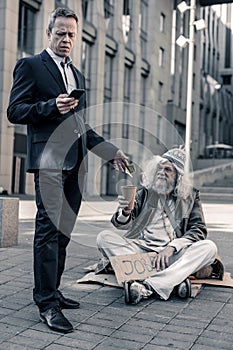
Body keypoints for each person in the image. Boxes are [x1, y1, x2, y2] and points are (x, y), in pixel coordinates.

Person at [7, 7, 128, 333]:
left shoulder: (78, 75)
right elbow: (14, 110)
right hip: (47, 163)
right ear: (49, 32)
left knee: (63, 234)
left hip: (75, 165)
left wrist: (109, 151)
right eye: (60, 33)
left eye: (71, 35)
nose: (66, 39)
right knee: (47, 233)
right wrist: (50, 106)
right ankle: (45, 303)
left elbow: (80, 126)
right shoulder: (31, 66)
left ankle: (54, 291)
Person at [96, 147, 220, 305]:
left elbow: (199, 229)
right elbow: (121, 224)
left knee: (209, 247)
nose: (161, 172)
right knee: (104, 238)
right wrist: (125, 212)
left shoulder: (191, 196)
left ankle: (145, 285)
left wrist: (172, 247)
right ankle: (173, 281)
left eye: (168, 170)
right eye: (159, 168)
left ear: (179, 178)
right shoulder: (144, 193)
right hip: (140, 252)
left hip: (171, 256)